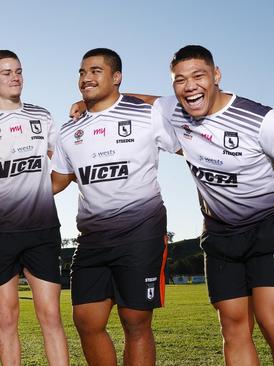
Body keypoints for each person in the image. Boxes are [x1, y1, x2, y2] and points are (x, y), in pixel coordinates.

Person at [51, 48, 179, 365]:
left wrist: (124, 96)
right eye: (82, 72)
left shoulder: (146, 115)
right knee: (86, 319)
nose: (86, 78)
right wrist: (10, 188)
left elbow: (181, 106)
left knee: (135, 323)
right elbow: (58, 180)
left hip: (141, 235)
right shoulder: (68, 131)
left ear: (116, 77)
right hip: (92, 240)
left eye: (96, 71)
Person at [157, 45, 274, 365]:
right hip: (220, 236)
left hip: (269, 230)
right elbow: (145, 103)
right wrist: (89, 103)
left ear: (216, 75)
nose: (189, 86)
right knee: (233, 327)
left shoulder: (262, 120)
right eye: (179, 80)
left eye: (198, 76)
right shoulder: (174, 111)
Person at [0, 49, 69, 365]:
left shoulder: (42, 117)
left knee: (51, 317)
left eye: (18, 71)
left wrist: (37, 193)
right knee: (6, 319)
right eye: (6, 72)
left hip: (42, 231)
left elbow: (65, 168)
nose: (14, 77)